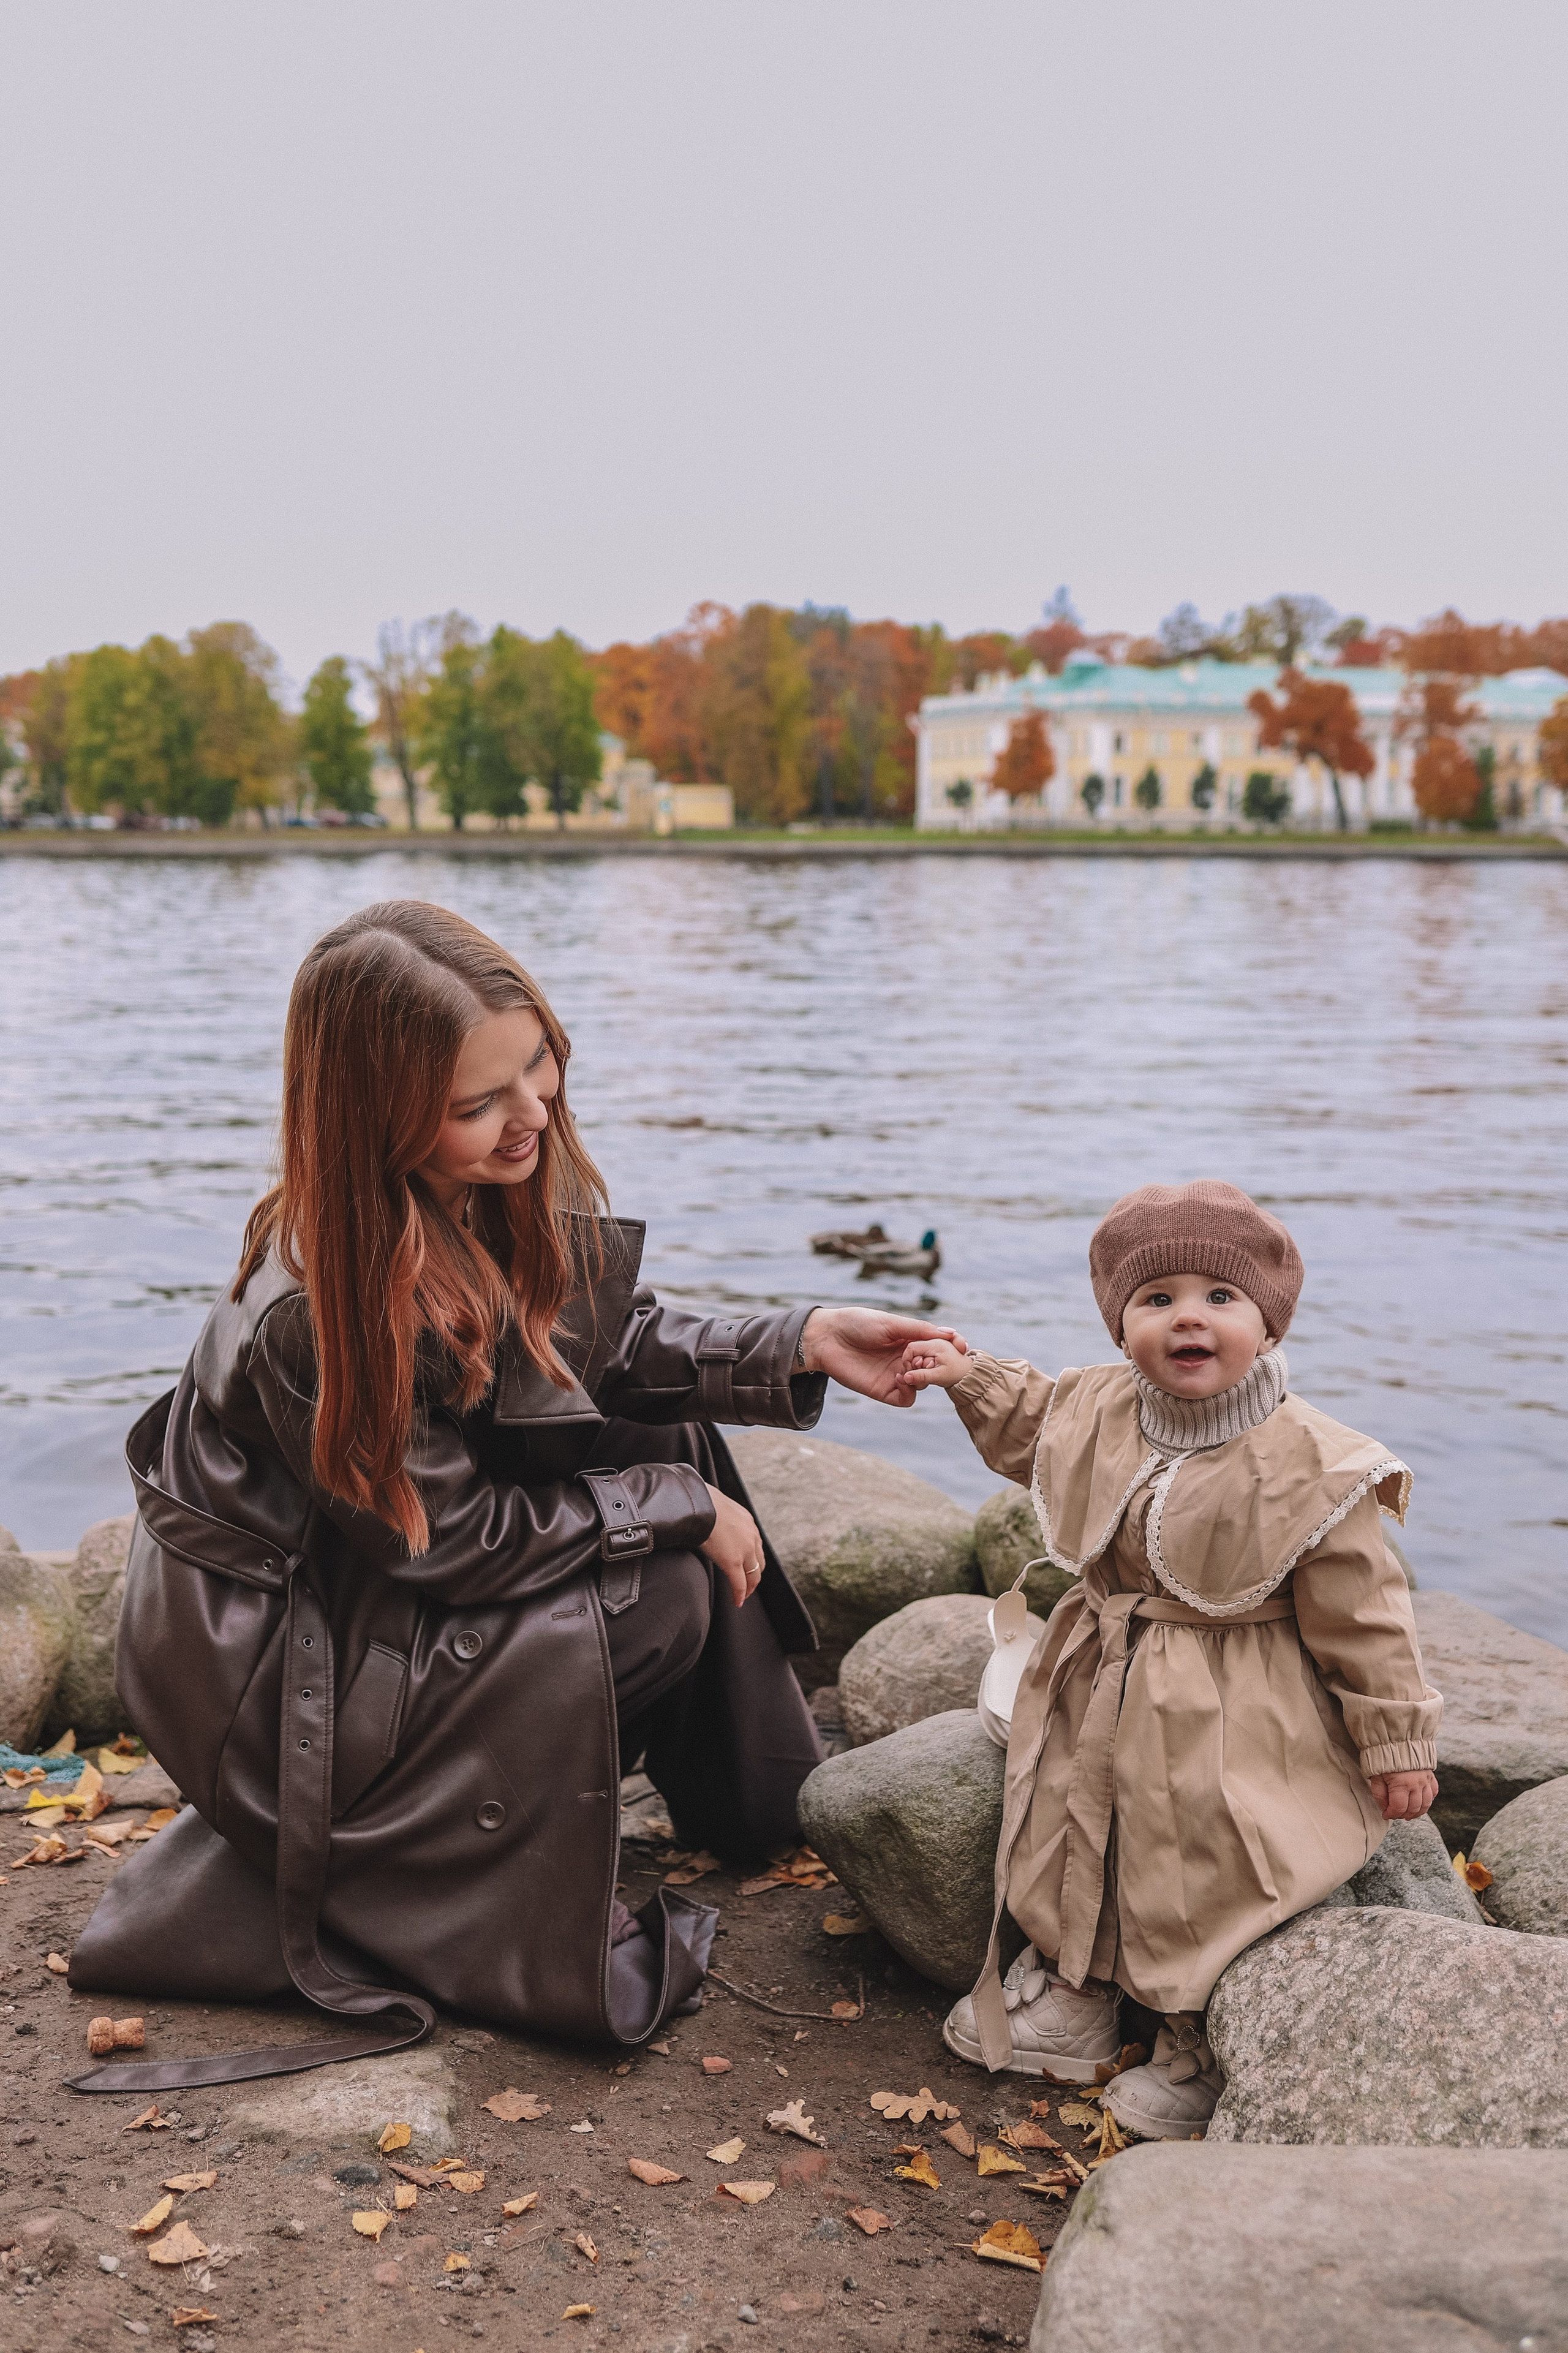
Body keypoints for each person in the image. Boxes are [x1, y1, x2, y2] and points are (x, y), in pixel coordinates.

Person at [67, 900, 959, 2092]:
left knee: (657, 1424)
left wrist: (803, 1339)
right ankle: (420, 1855)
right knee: (658, 1591)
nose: (531, 1111)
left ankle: (756, 1799)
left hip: (360, 1593)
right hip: (285, 1679)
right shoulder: (313, 1310)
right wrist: (681, 1508)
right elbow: (455, 1545)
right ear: (373, 1119)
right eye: (478, 1101)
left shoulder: (453, 1190)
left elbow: (597, 1337)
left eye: (534, 1063)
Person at [896, 1179, 1440, 2140]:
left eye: (1220, 1298)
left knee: (1202, 1846)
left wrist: (1395, 1738)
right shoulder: (1106, 1404)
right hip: (1102, 1670)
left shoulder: (1315, 1463)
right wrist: (963, 1372)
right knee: (1072, 1815)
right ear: (1122, 1330)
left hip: (1233, 1698)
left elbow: (1367, 1617)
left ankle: (1190, 2035)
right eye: (1157, 1300)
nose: (1189, 1316)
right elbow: (1035, 1418)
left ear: (1268, 1326)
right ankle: (1078, 1992)